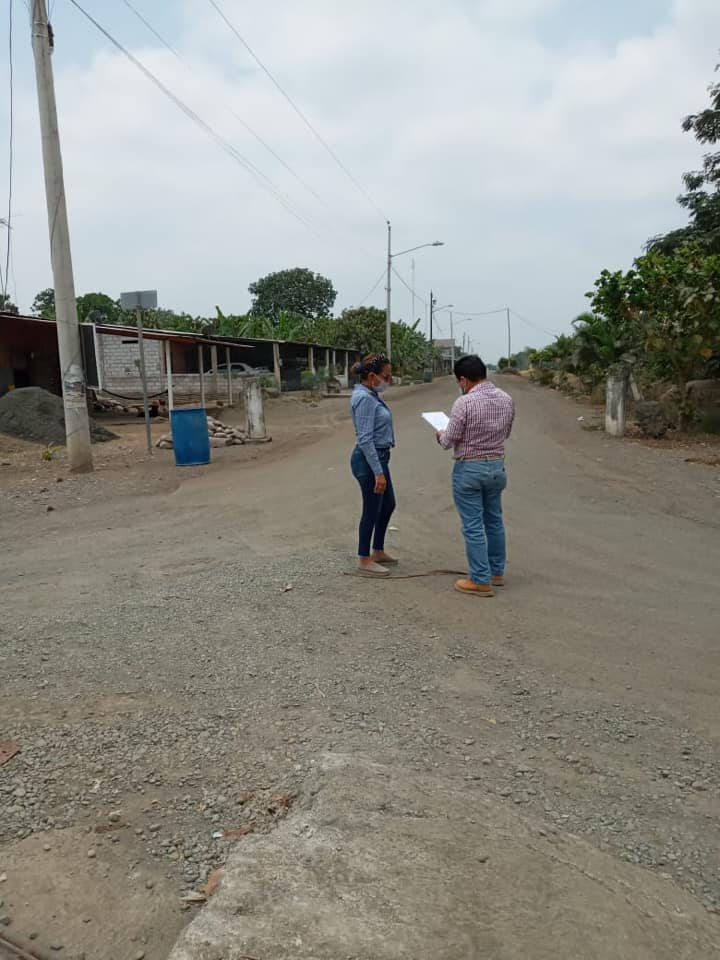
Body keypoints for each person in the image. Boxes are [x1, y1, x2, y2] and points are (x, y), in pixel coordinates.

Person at [436, 355, 515, 597]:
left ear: (463, 380)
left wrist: (440, 433)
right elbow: (506, 433)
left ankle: (480, 579)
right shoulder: (507, 399)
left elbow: (448, 441)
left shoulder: (464, 403)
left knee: (473, 525)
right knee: (494, 520)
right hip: (497, 467)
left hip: (469, 468)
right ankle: (496, 572)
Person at [350, 353, 397, 578]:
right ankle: (364, 559)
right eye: (385, 377)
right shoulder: (365, 399)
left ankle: (377, 550)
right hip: (369, 460)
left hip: (379, 458)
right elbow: (365, 439)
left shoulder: (371, 395)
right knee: (372, 509)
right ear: (371, 377)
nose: (389, 381)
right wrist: (378, 472)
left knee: (387, 505)